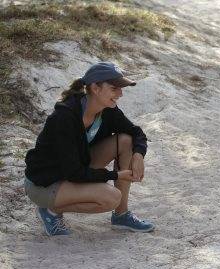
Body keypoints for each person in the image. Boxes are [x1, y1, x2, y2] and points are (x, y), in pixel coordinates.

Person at [24, 62, 154, 236]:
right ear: (95, 88)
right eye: (114, 88)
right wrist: (114, 175)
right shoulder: (65, 117)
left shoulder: (107, 110)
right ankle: (50, 210)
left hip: (74, 170)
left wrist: (139, 154)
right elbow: (74, 173)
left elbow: (136, 132)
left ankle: (121, 216)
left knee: (126, 140)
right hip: (45, 183)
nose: (120, 94)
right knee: (111, 198)